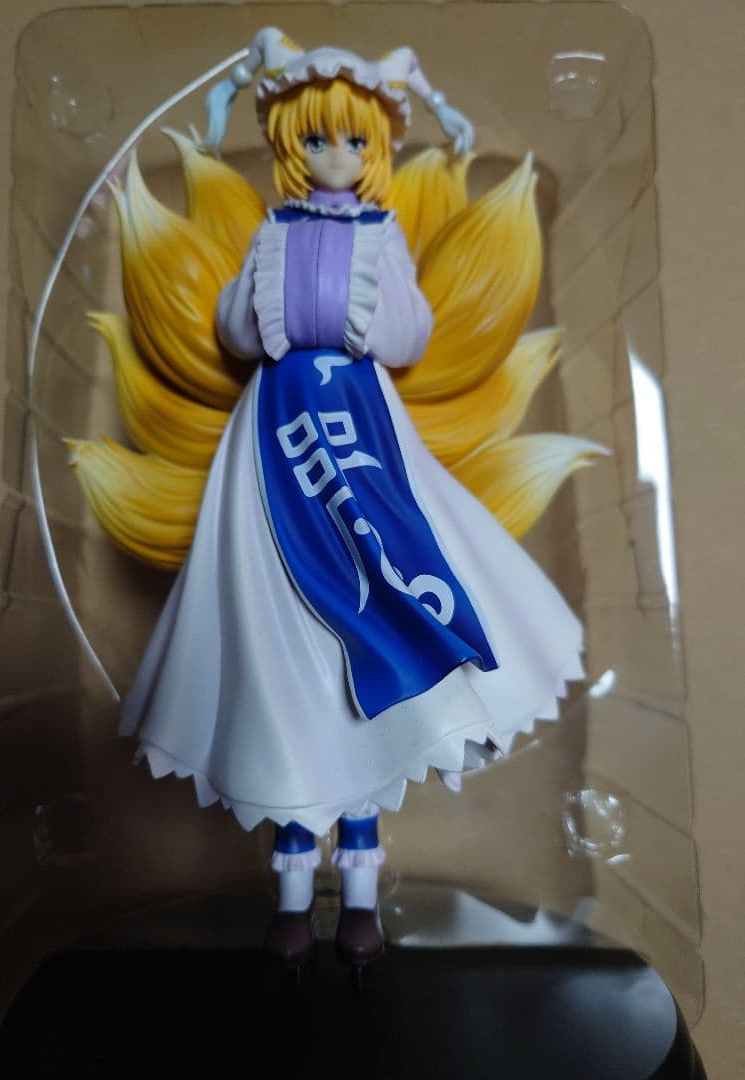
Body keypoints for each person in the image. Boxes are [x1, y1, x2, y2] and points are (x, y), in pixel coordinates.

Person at [95, 28, 585, 963]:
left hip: (362, 428)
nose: (335, 155)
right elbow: (236, 328)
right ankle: (290, 895)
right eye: (317, 139)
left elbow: (407, 333)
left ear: (376, 148)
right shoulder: (273, 231)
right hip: (274, 433)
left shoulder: (380, 233)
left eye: (354, 140)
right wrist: (265, 298)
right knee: (282, 653)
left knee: (378, 621)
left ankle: (359, 892)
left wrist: (363, 310)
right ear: (290, 144)